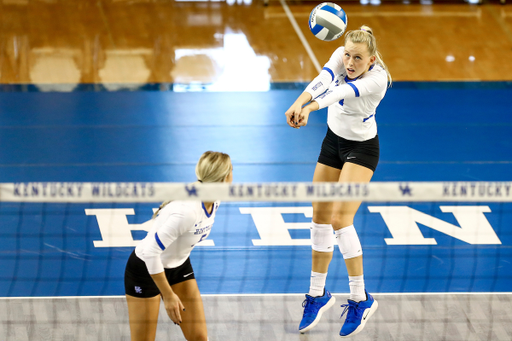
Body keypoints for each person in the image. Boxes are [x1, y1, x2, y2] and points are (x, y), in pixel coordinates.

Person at [285, 25, 392, 338]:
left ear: (371, 60)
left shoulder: (377, 79)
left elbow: (340, 92)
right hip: (334, 141)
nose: (350, 63)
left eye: (358, 59)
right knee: (319, 217)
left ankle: (361, 298)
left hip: (362, 149)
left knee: (339, 219)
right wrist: (299, 101)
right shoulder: (341, 56)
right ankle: (317, 294)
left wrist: (310, 108)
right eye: (347, 55)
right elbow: (324, 80)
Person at [124, 151, 233, 341]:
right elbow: (151, 252)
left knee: (199, 337)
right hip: (146, 270)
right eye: (232, 172)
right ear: (224, 178)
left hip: (179, 266)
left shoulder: (215, 199)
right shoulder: (187, 212)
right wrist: (168, 295)